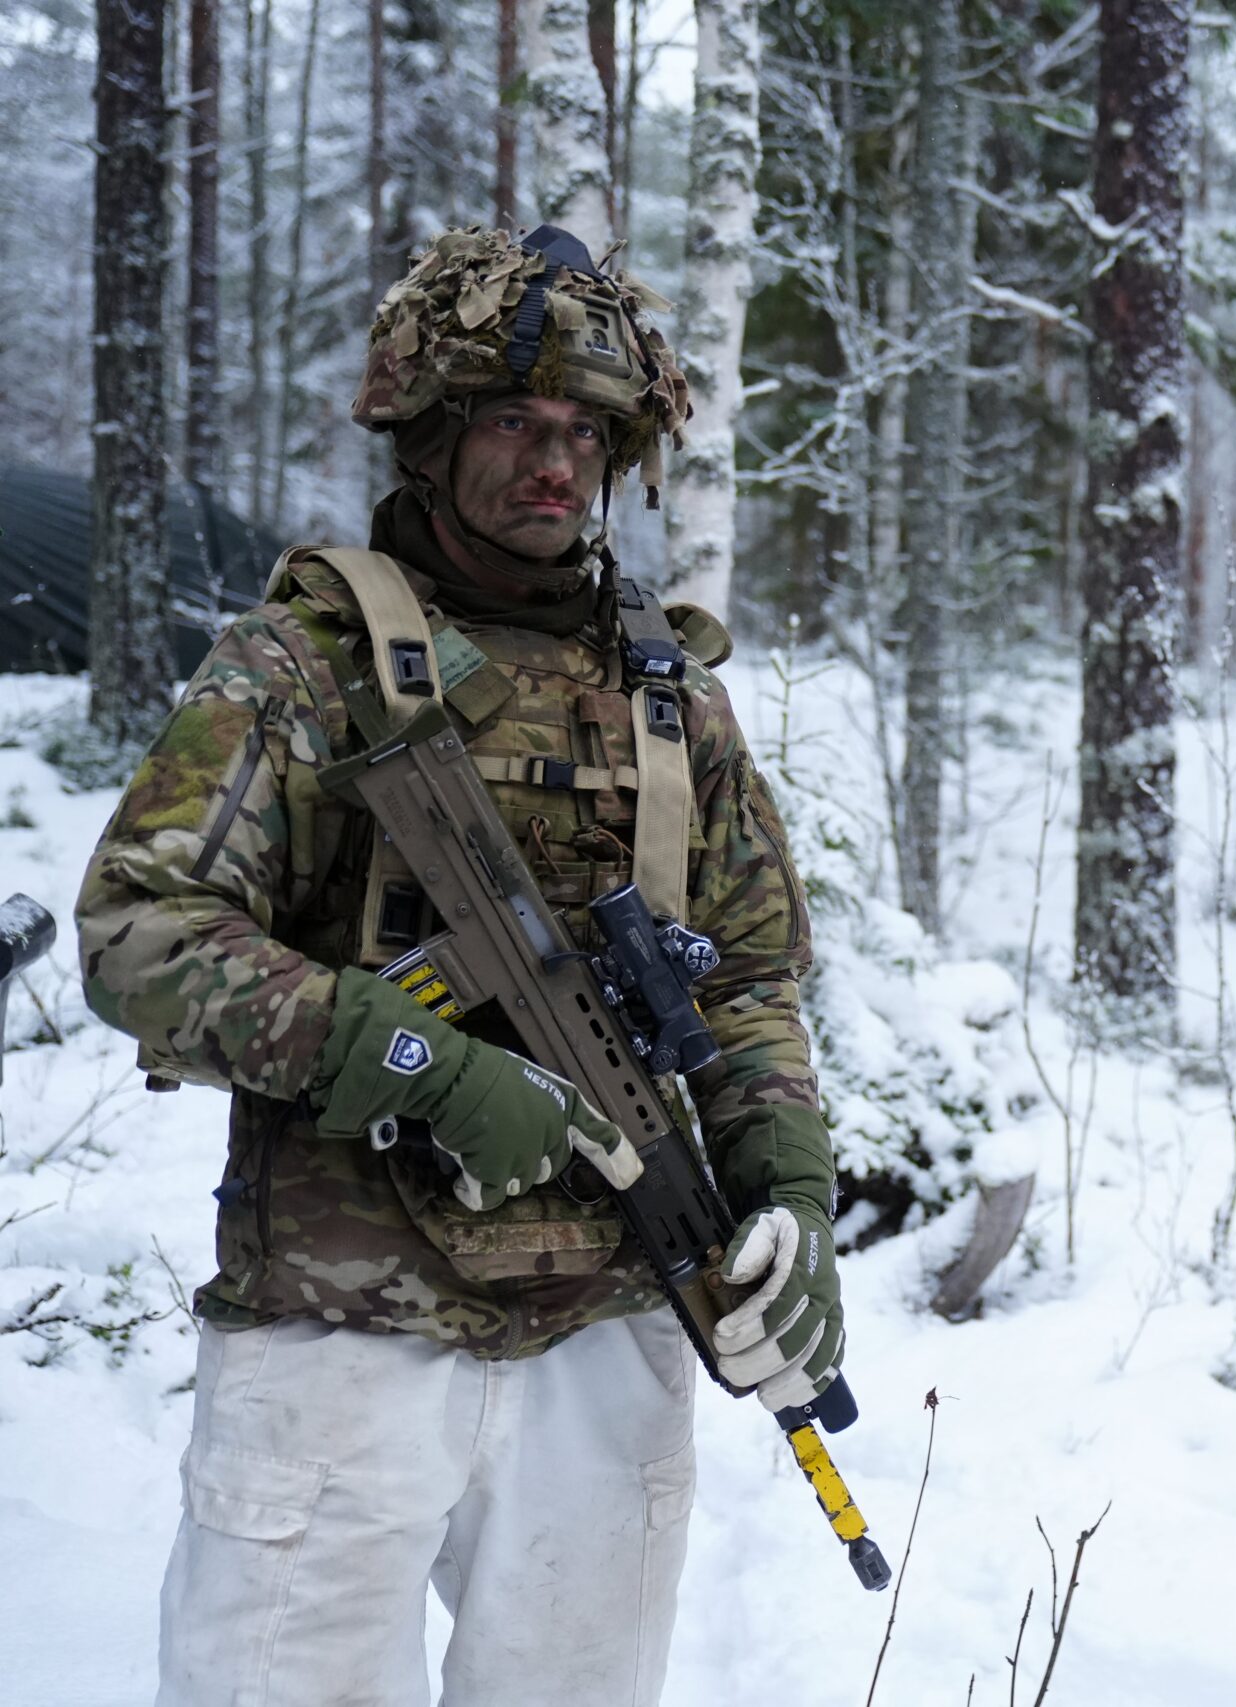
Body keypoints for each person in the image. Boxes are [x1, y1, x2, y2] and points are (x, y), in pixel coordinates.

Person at [76, 224, 844, 1707]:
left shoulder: (671, 700)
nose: (552, 463)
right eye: (511, 420)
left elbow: (747, 977)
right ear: (431, 435)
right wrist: (411, 1058)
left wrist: (791, 1190)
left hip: (610, 1343)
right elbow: (139, 931)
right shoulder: (304, 664)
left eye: (583, 433)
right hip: (340, 1340)